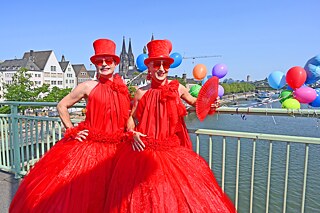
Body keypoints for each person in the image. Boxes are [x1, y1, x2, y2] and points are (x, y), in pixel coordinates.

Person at [105, 39, 236, 212]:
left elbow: (196, 103)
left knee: (172, 195)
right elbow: (131, 118)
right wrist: (132, 133)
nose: (161, 68)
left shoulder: (178, 88)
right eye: (156, 64)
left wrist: (211, 102)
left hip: (170, 150)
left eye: (165, 65)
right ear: (149, 67)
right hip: (143, 150)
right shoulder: (141, 92)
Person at [10, 38, 130, 213]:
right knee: (89, 193)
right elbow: (62, 105)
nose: (104, 64)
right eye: (99, 61)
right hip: (92, 147)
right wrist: (71, 129)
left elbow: (127, 113)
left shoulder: (122, 87)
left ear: (115, 63)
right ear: (95, 64)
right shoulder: (87, 86)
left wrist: (131, 130)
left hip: (118, 148)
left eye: (108, 60)